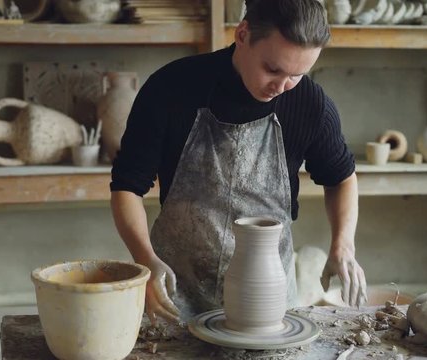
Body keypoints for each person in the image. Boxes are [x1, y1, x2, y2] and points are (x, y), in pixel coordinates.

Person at [110, 0, 367, 324]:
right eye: (273, 69)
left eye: (298, 74)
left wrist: (343, 245)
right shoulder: (171, 89)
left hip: (268, 297)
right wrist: (145, 260)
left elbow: (341, 176)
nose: (282, 86)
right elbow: (126, 186)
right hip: (174, 291)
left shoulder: (310, 103)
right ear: (243, 34)